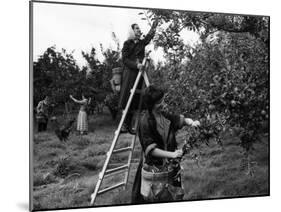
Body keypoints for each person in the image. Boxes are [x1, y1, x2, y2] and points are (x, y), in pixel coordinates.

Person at [131, 85, 200, 203]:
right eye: (159, 102)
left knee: (174, 195)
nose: (163, 103)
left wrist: (191, 122)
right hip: (155, 167)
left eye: (163, 100)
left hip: (170, 166)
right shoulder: (145, 122)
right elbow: (151, 150)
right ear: (151, 104)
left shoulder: (164, 116)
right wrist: (172, 155)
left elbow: (180, 120)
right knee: (156, 197)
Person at [118, 19, 159, 134]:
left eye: (139, 29)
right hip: (130, 74)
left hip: (139, 74)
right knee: (127, 98)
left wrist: (155, 24)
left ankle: (130, 126)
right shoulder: (127, 43)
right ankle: (124, 125)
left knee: (135, 99)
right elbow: (124, 59)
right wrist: (136, 65)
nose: (139, 30)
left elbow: (149, 37)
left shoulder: (141, 43)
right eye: (136, 28)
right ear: (132, 31)